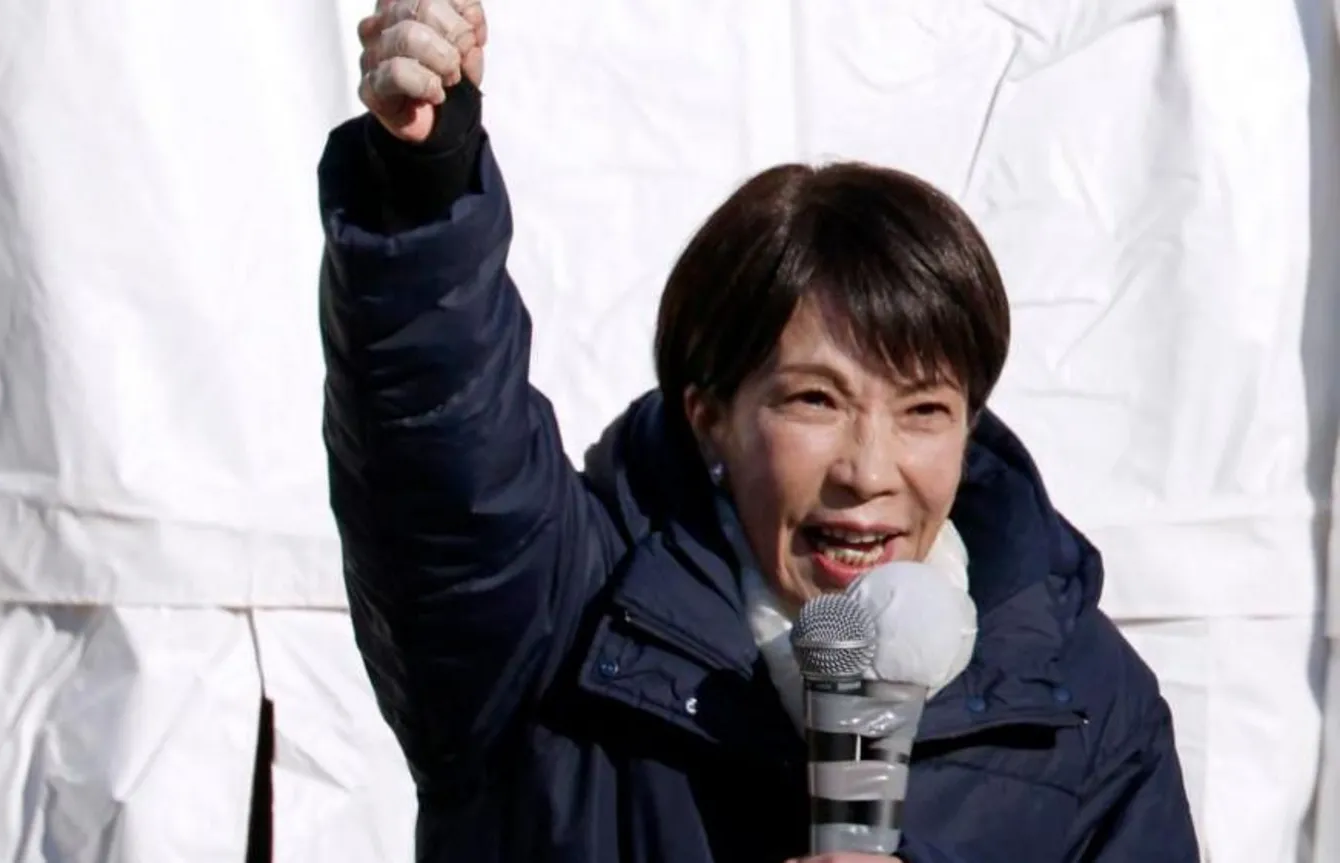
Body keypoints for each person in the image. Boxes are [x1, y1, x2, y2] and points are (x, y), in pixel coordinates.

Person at [317, 2, 1201, 861]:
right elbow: (447, 472)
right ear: (709, 417)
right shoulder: (560, 624)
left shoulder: (1081, 699)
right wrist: (426, 191)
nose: (868, 469)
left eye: (923, 410)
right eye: (815, 400)